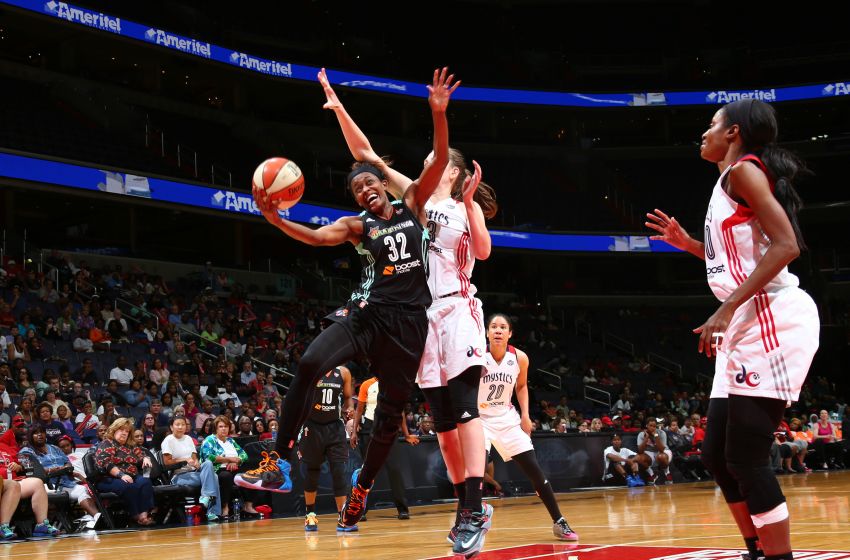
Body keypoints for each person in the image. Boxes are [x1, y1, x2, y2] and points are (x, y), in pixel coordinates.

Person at [248, 69, 457, 534]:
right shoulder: (360, 225)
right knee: (307, 363)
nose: (366, 189)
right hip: (366, 316)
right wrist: (279, 222)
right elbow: (320, 237)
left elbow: (440, 158)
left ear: (383, 185)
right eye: (358, 188)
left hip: (408, 328)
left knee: (388, 419)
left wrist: (438, 114)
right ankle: (278, 462)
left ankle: (361, 490)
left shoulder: (415, 206)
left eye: (370, 183)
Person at [319, 65, 498, 557]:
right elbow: (366, 155)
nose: (427, 168)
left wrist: (471, 205)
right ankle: (466, 504)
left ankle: (473, 507)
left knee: (464, 409)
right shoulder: (413, 199)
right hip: (421, 320)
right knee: (441, 425)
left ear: (455, 172)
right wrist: (339, 109)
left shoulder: (463, 206)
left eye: (435, 163)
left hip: (458, 309)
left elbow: (482, 255)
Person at [646, 98, 820, 560]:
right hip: (748, 314)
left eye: (711, 125)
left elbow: (786, 246)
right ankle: (755, 549)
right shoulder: (729, 181)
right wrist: (689, 245)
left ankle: (777, 558)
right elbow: (738, 257)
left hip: (772, 315)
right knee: (717, 457)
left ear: (733, 133)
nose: (703, 134)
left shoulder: (744, 170)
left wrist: (726, 310)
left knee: (745, 456)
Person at [478, 314, 578, 542]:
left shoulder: (520, 357)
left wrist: (525, 415)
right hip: (480, 418)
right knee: (476, 473)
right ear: (487, 332)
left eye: (503, 327)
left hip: (506, 417)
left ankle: (559, 522)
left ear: (510, 333)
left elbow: (521, 386)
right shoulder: (477, 356)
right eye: (493, 327)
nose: (498, 330)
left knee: (534, 470)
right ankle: (464, 523)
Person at [294, 366, 353, 533]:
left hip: (334, 427)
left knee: (339, 471)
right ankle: (310, 514)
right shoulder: (311, 370)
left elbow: (348, 398)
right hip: (313, 426)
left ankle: (343, 516)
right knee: (312, 471)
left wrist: (350, 409)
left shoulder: (343, 373)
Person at [19, 424, 101, 529]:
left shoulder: (54, 448)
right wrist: (53, 470)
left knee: (81, 490)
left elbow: (68, 463)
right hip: (45, 484)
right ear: (30, 436)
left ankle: (97, 516)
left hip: (66, 482)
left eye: (42, 432)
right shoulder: (26, 452)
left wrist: (65, 468)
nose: (40, 435)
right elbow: (31, 471)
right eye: (36, 433)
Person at [93, 417, 156, 526]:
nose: (124, 433)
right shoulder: (107, 443)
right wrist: (121, 475)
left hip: (132, 475)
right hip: (109, 478)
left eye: (127, 431)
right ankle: (135, 515)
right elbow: (105, 463)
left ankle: (143, 516)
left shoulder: (131, 444)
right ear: (114, 430)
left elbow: (141, 454)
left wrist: (145, 458)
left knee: (145, 482)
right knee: (129, 485)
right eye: (121, 430)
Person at [161, 416, 223, 522]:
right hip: (178, 475)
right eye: (177, 424)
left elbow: (194, 459)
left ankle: (206, 497)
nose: (180, 427)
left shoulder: (189, 439)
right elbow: (167, 462)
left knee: (207, 463)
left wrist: (196, 463)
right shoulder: (168, 440)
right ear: (172, 427)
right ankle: (212, 511)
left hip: (194, 472)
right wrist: (184, 460)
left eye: (183, 424)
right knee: (215, 477)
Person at [199, 416, 259, 519]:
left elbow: (244, 455)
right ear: (216, 428)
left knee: (252, 472)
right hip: (217, 470)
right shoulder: (209, 440)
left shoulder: (231, 441)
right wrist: (229, 459)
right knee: (225, 476)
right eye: (221, 426)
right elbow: (208, 457)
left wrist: (236, 461)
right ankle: (225, 507)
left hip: (234, 468)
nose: (223, 429)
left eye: (226, 426)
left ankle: (248, 505)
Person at [635, 418, 673, 485]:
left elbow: (661, 450)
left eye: (654, 426)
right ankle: (652, 475)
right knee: (638, 458)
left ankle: (667, 473)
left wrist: (656, 436)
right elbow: (640, 451)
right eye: (651, 426)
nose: (653, 428)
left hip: (663, 452)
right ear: (647, 425)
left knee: (661, 456)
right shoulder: (641, 434)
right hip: (649, 453)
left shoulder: (662, 433)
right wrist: (646, 439)